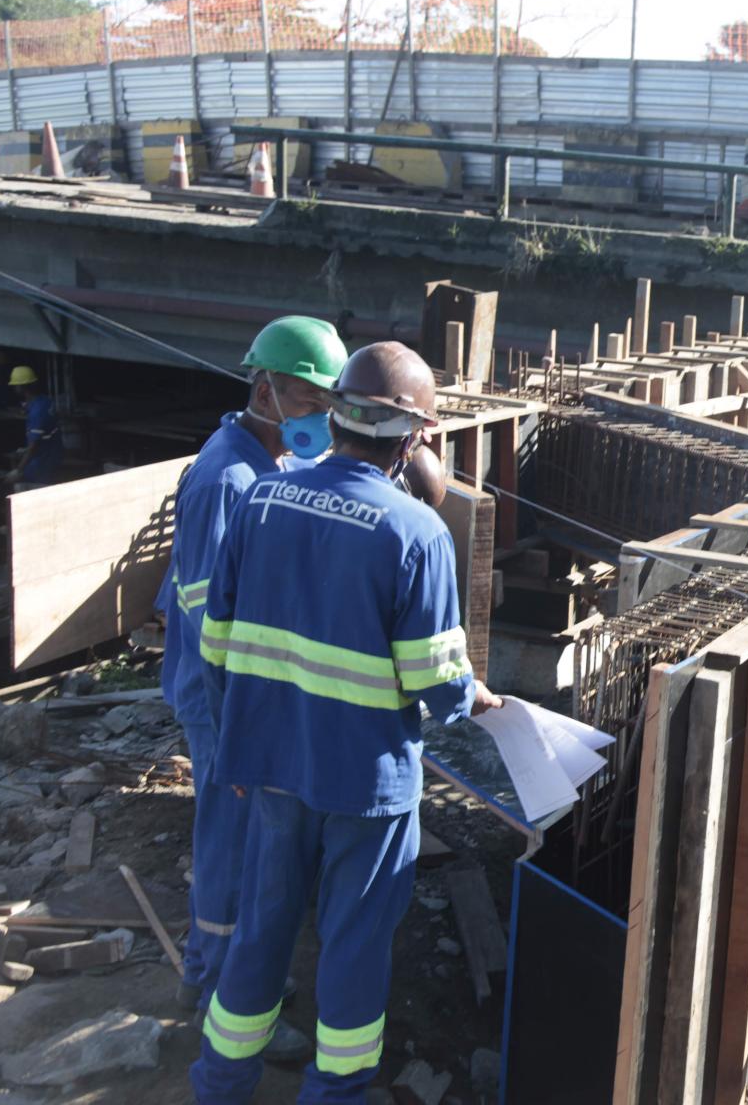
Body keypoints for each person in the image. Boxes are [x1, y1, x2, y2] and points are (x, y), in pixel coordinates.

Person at [191, 342, 501, 1105]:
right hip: (365, 783)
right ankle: (335, 1093)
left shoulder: (262, 497)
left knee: (264, 928)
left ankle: (220, 1083)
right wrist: (474, 696)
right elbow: (434, 685)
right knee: (354, 943)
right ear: (417, 436)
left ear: (335, 414)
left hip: (270, 765)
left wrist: (236, 750)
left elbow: (216, 645)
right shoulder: (415, 533)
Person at [156, 316, 348, 1063]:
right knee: (234, 844)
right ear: (262, 387)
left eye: (326, 401)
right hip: (225, 701)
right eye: (304, 397)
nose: (316, 416)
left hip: (249, 695)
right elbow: (210, 623)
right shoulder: (226, 477)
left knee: (255, 847)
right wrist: (243, 731)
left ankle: (235, 972)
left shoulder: (268, 461)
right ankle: (216, 992)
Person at [6, 365, 63, 487]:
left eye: (16, 385)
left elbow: (33, 447)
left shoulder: (37, 413)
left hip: (42, 463)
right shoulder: (44, 401)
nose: (14, 388)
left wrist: (18, 470)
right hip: (52, 455)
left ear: (22, 387)